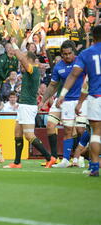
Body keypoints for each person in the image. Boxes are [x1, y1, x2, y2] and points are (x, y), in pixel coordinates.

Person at [57, 25, 101, 177]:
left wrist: (62, 94)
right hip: (92, 96)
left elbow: (74, 75)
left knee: (96, 133)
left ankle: (94, 167)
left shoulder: (86, 53)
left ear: (93, 37)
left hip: (95, 97)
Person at [3, 43, 56, 169]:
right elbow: (21, 59)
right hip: (23, 105)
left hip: (28, 106)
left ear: (29, 60)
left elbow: (21, 58)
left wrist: (15, 46)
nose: (21, 62)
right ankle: (17, 162)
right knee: (17, 133)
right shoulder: (30, 70)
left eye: (24, 58)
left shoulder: (32, 69)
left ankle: (50, 158)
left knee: (29, 136)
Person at [39, 40, 87, 168]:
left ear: (74, 52)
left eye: (69, 53)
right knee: (68, 130)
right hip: (66, 101)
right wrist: (43, 100)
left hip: (81, 100)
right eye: (64, 54)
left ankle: (80, 157)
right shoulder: (58, 66)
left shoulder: (81, 61)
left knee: (81, 130)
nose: (67, 56)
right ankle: (65, 159)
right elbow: (53, 85)